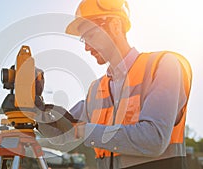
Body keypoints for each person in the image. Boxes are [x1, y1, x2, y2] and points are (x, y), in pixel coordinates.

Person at [37, 0, 192, 169]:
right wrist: (35, 112)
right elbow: (63, 133)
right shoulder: (96, 90)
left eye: (90, 35)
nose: (86, 47)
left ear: (116, 26)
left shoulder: (162, 66)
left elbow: (154, 139)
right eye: (84, 39)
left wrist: (81, 131)